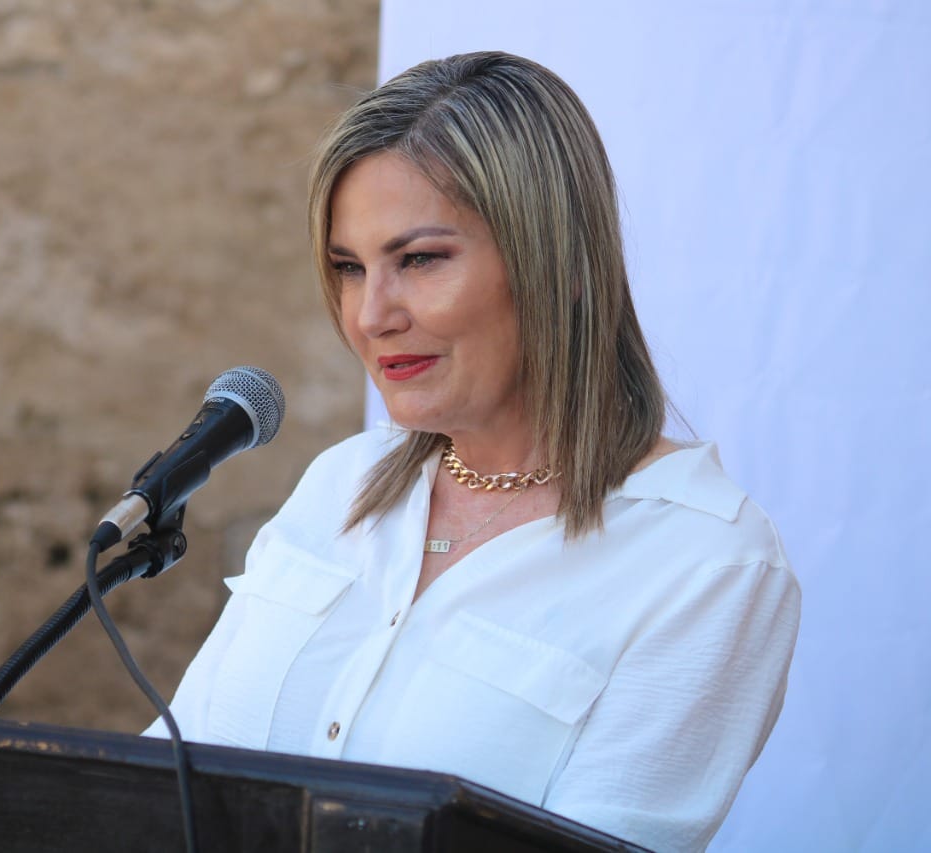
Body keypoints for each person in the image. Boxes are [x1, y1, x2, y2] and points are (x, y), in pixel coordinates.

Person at [145, 51, 800, 853]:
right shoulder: (340, 482)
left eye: (419, 259)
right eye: (349, 268)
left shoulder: (705, 564)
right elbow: (160, 785)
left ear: (559, 261)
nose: (371, 315)